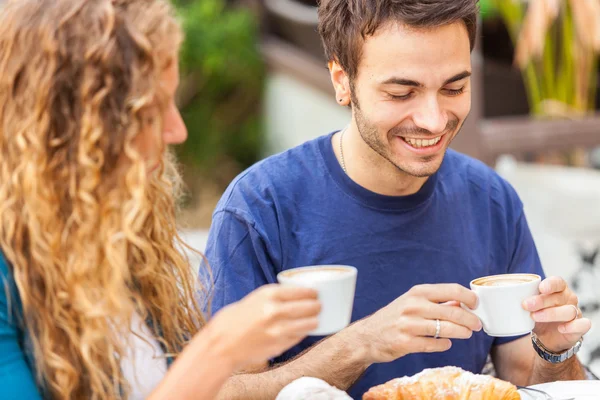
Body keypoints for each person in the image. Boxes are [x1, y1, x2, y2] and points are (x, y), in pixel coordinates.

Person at [204, 0, 592, 398]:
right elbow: (215, 392)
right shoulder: (260, 208)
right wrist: (361, 345)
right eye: (402, 93)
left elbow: (522, 379)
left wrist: (554, 350)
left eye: (454, 88)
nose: (434, 119)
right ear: (342, 80)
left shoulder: (490, 200)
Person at [0, 0, 321, 399]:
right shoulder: (9, 277)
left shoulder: (118, 239)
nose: (177, 130)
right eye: (150, 113)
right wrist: (217, 349)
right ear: (69, 128)